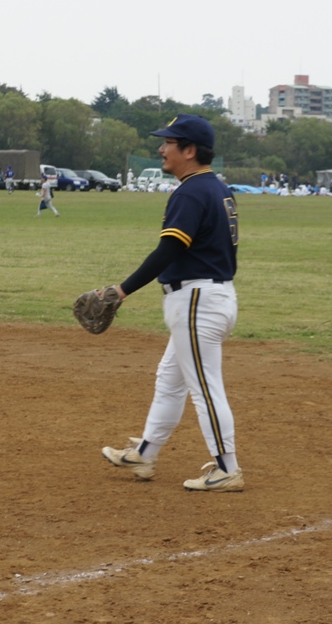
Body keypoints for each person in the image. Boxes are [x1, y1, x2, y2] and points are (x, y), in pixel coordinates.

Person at [100, 114, 243, 492]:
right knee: (170, 379)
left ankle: (227, 468)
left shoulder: (192, 191)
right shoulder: (215, 188)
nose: (161, 149)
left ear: (190, 150)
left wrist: (123, 289)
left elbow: (170, 247)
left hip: (197, 301)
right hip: (207, 297)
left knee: (205, 388)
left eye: (169, 143)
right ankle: (144, 454)